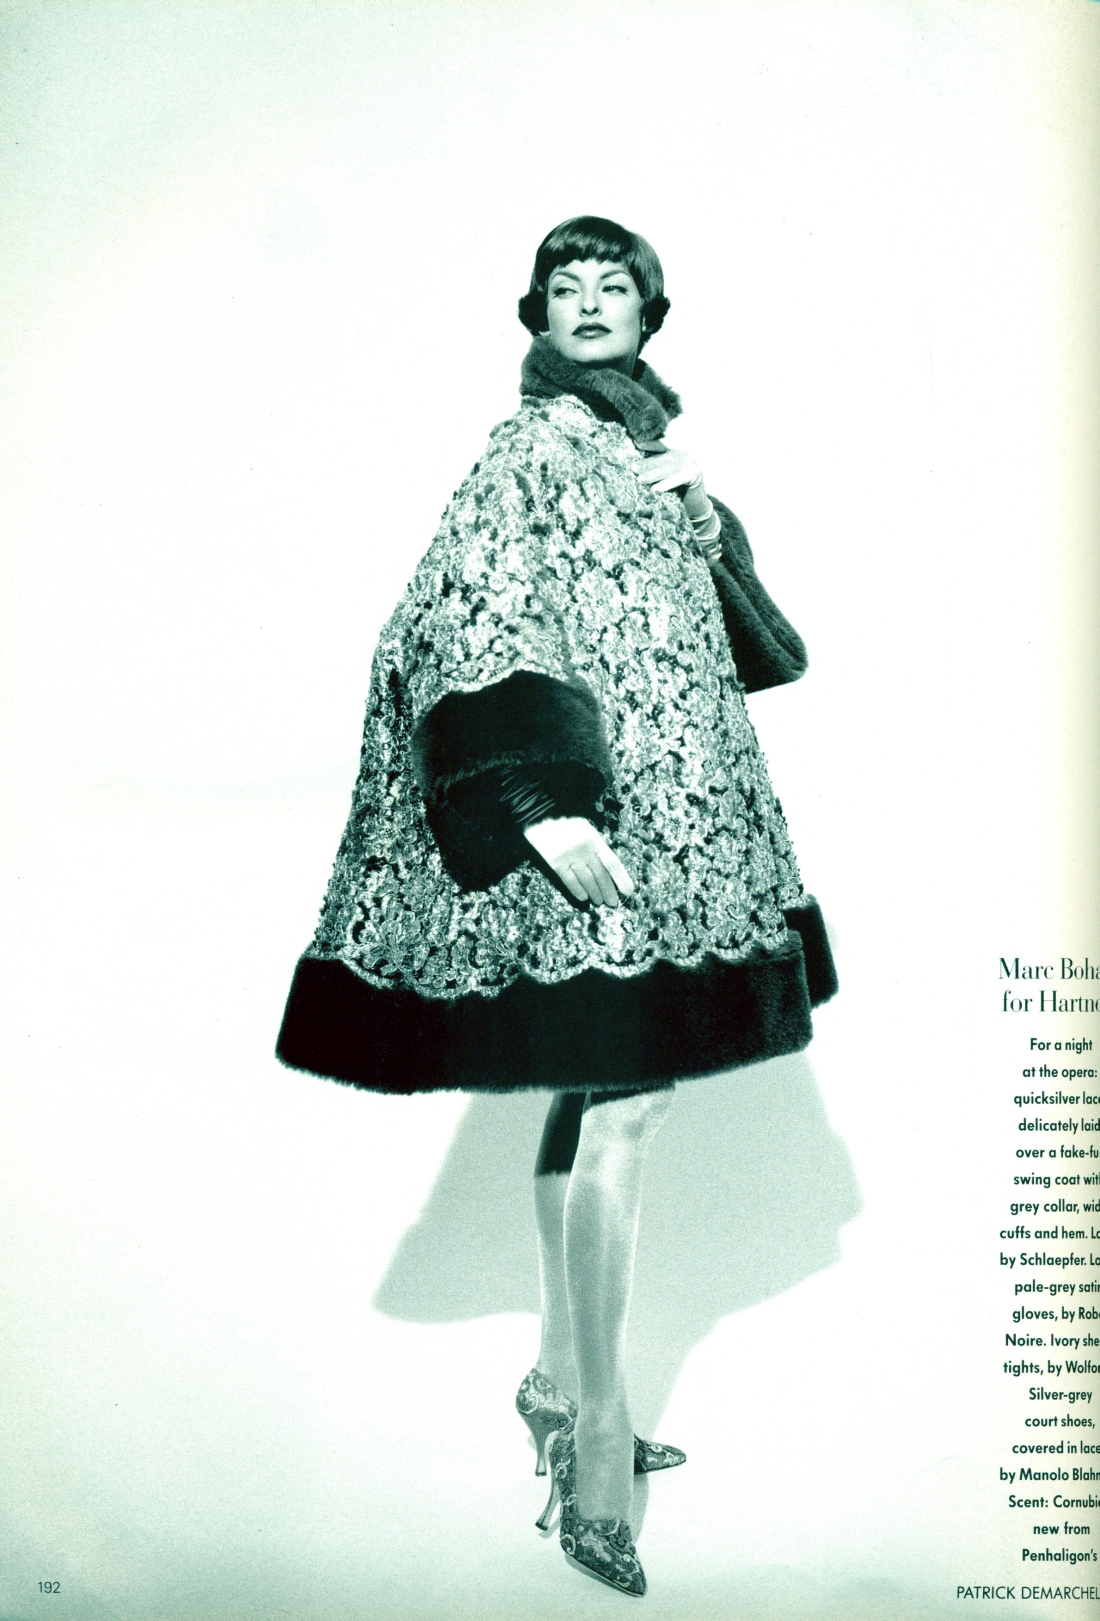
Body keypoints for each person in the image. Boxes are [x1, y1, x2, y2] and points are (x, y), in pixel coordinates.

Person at [277, 215, 837, 1598]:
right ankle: (594, 1435)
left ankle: (548, 1379)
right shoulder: (527, 447)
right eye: (566, 286)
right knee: (625, 1107)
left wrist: (703, 523)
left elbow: (725, 647)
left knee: (600, 1090)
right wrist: (535, 800)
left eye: (615, 285)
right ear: (538, 315)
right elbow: (454, 612)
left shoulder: (642, 453)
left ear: (650, 314)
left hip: (682, 823)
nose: (590, 302)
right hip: (598, 826)